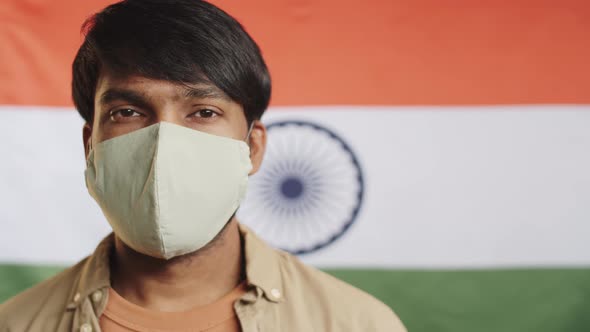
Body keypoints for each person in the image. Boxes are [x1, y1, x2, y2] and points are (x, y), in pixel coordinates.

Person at [0, 1, 406, 331]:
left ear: (253, 147)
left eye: (203, 112)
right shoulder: (16, 324)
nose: (164, 144)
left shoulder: (354, 324)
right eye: (127, 111)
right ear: (91, 146)